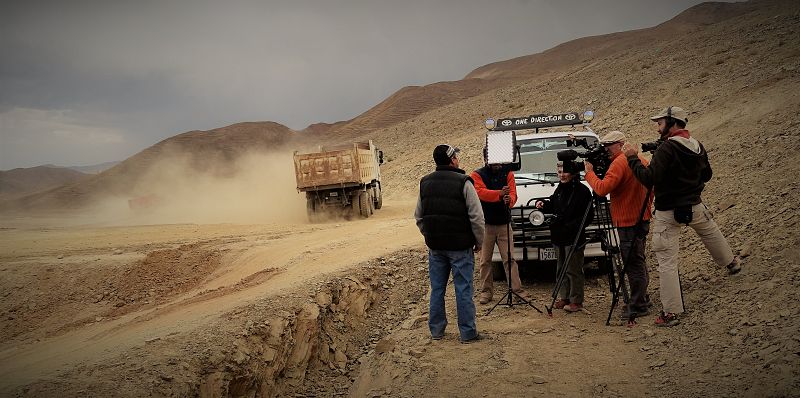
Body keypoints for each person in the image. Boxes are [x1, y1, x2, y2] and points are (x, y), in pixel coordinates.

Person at [624, 106, 742, 327]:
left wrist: (632, 159)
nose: (658, 128)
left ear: (673, 123)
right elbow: (707, 174)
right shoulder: (697, 145)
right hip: (694, 204)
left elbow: (649, 178)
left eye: (660, 124)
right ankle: (731, 263)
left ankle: (671, 312)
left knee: (666, 260)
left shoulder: (667, 149)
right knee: (711, 233)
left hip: (669, 211)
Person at [414, 144, 485, 343]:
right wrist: (479, 242)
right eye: (456, 156)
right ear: (452, 160)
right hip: (460, 248)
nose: (458, 159)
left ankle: (436, 331)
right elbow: (477, 217)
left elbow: (419, 216)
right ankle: (468, 333)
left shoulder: (424, 183)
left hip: (436, 247)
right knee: (463, 289)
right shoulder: (464, 182)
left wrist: (429, 236)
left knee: (437, 289)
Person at [584, 131, 654, 320]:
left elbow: (601, 189)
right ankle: (643, 298)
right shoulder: (639, 159)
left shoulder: (619, 162)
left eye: (609, 145)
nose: (605, 150)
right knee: (638, 259)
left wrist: (589, 173)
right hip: (641, 217)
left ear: (620, 144)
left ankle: (638, 304)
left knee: (633, 263)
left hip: (628, 220)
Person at [535, 160, 594, 312]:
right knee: (561, 268)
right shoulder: (560, 188)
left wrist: (571, 226)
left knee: (573, 269)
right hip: (558, 235)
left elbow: (588, 216)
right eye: (559, 172)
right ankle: (564, 297)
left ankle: (576, 300)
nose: (562, 175)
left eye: (565, 172)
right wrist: (544, 204)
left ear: (573, 173)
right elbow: (555, 204)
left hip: (573, 236)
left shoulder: (582, 191)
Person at [470, 162, 530, 304]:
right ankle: (486, 292)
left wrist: (510, 200)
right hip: (486, 225)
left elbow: (513, 193)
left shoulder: (507, 173)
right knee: (485, 260)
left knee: (509, 259)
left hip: (504, 223)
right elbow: (479, 193)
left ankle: (517, 291)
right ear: (487, 159)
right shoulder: (477, 174)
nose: (497, 164)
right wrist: (500, 194)